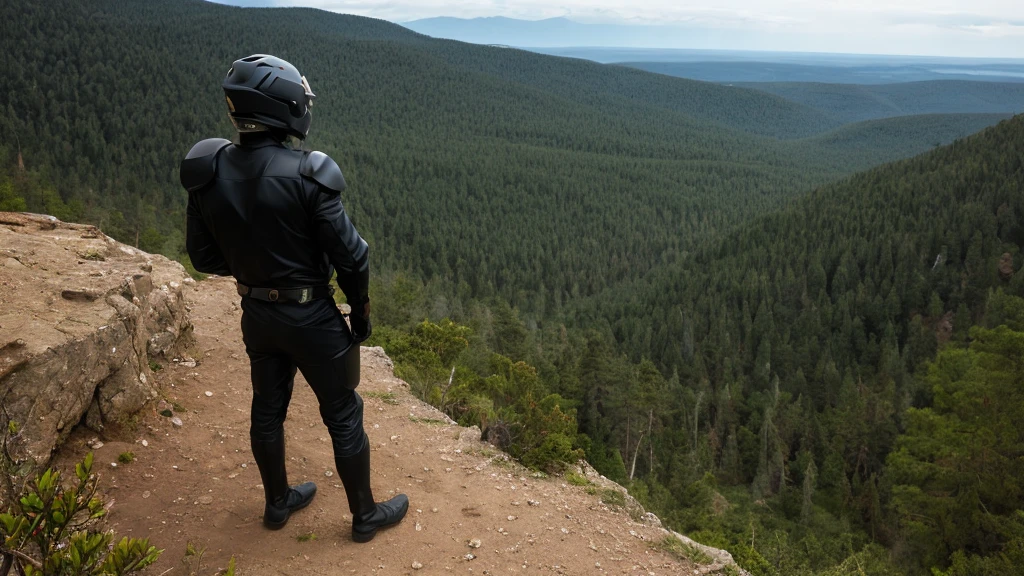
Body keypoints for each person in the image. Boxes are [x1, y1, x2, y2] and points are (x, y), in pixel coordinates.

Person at [179, 54, 408, 543]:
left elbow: (202, 255)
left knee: (267, 410)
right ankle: (365, 515)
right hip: (311, 317)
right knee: (343, 412)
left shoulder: (206, 168)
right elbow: (353, 257)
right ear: (284, 107)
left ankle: (277, 502)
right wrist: (360, 312)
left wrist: (252, 268)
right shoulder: (309, 173)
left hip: (257, 314)